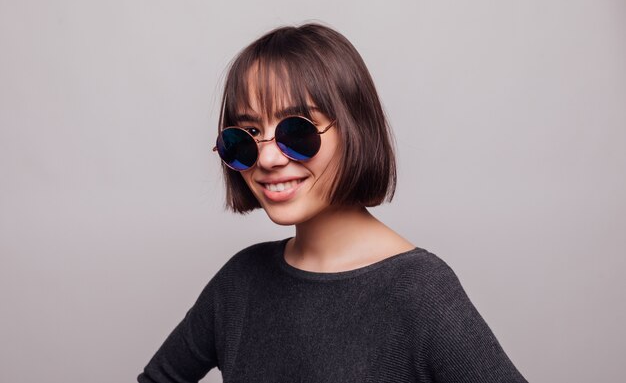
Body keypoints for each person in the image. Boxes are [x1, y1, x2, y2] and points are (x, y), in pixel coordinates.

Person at [137, 23, 528, 382]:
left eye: (296, 131)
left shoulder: (418, 290)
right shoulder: (240, 282)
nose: (268, 158)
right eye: (248, 133)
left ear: (355, 131)